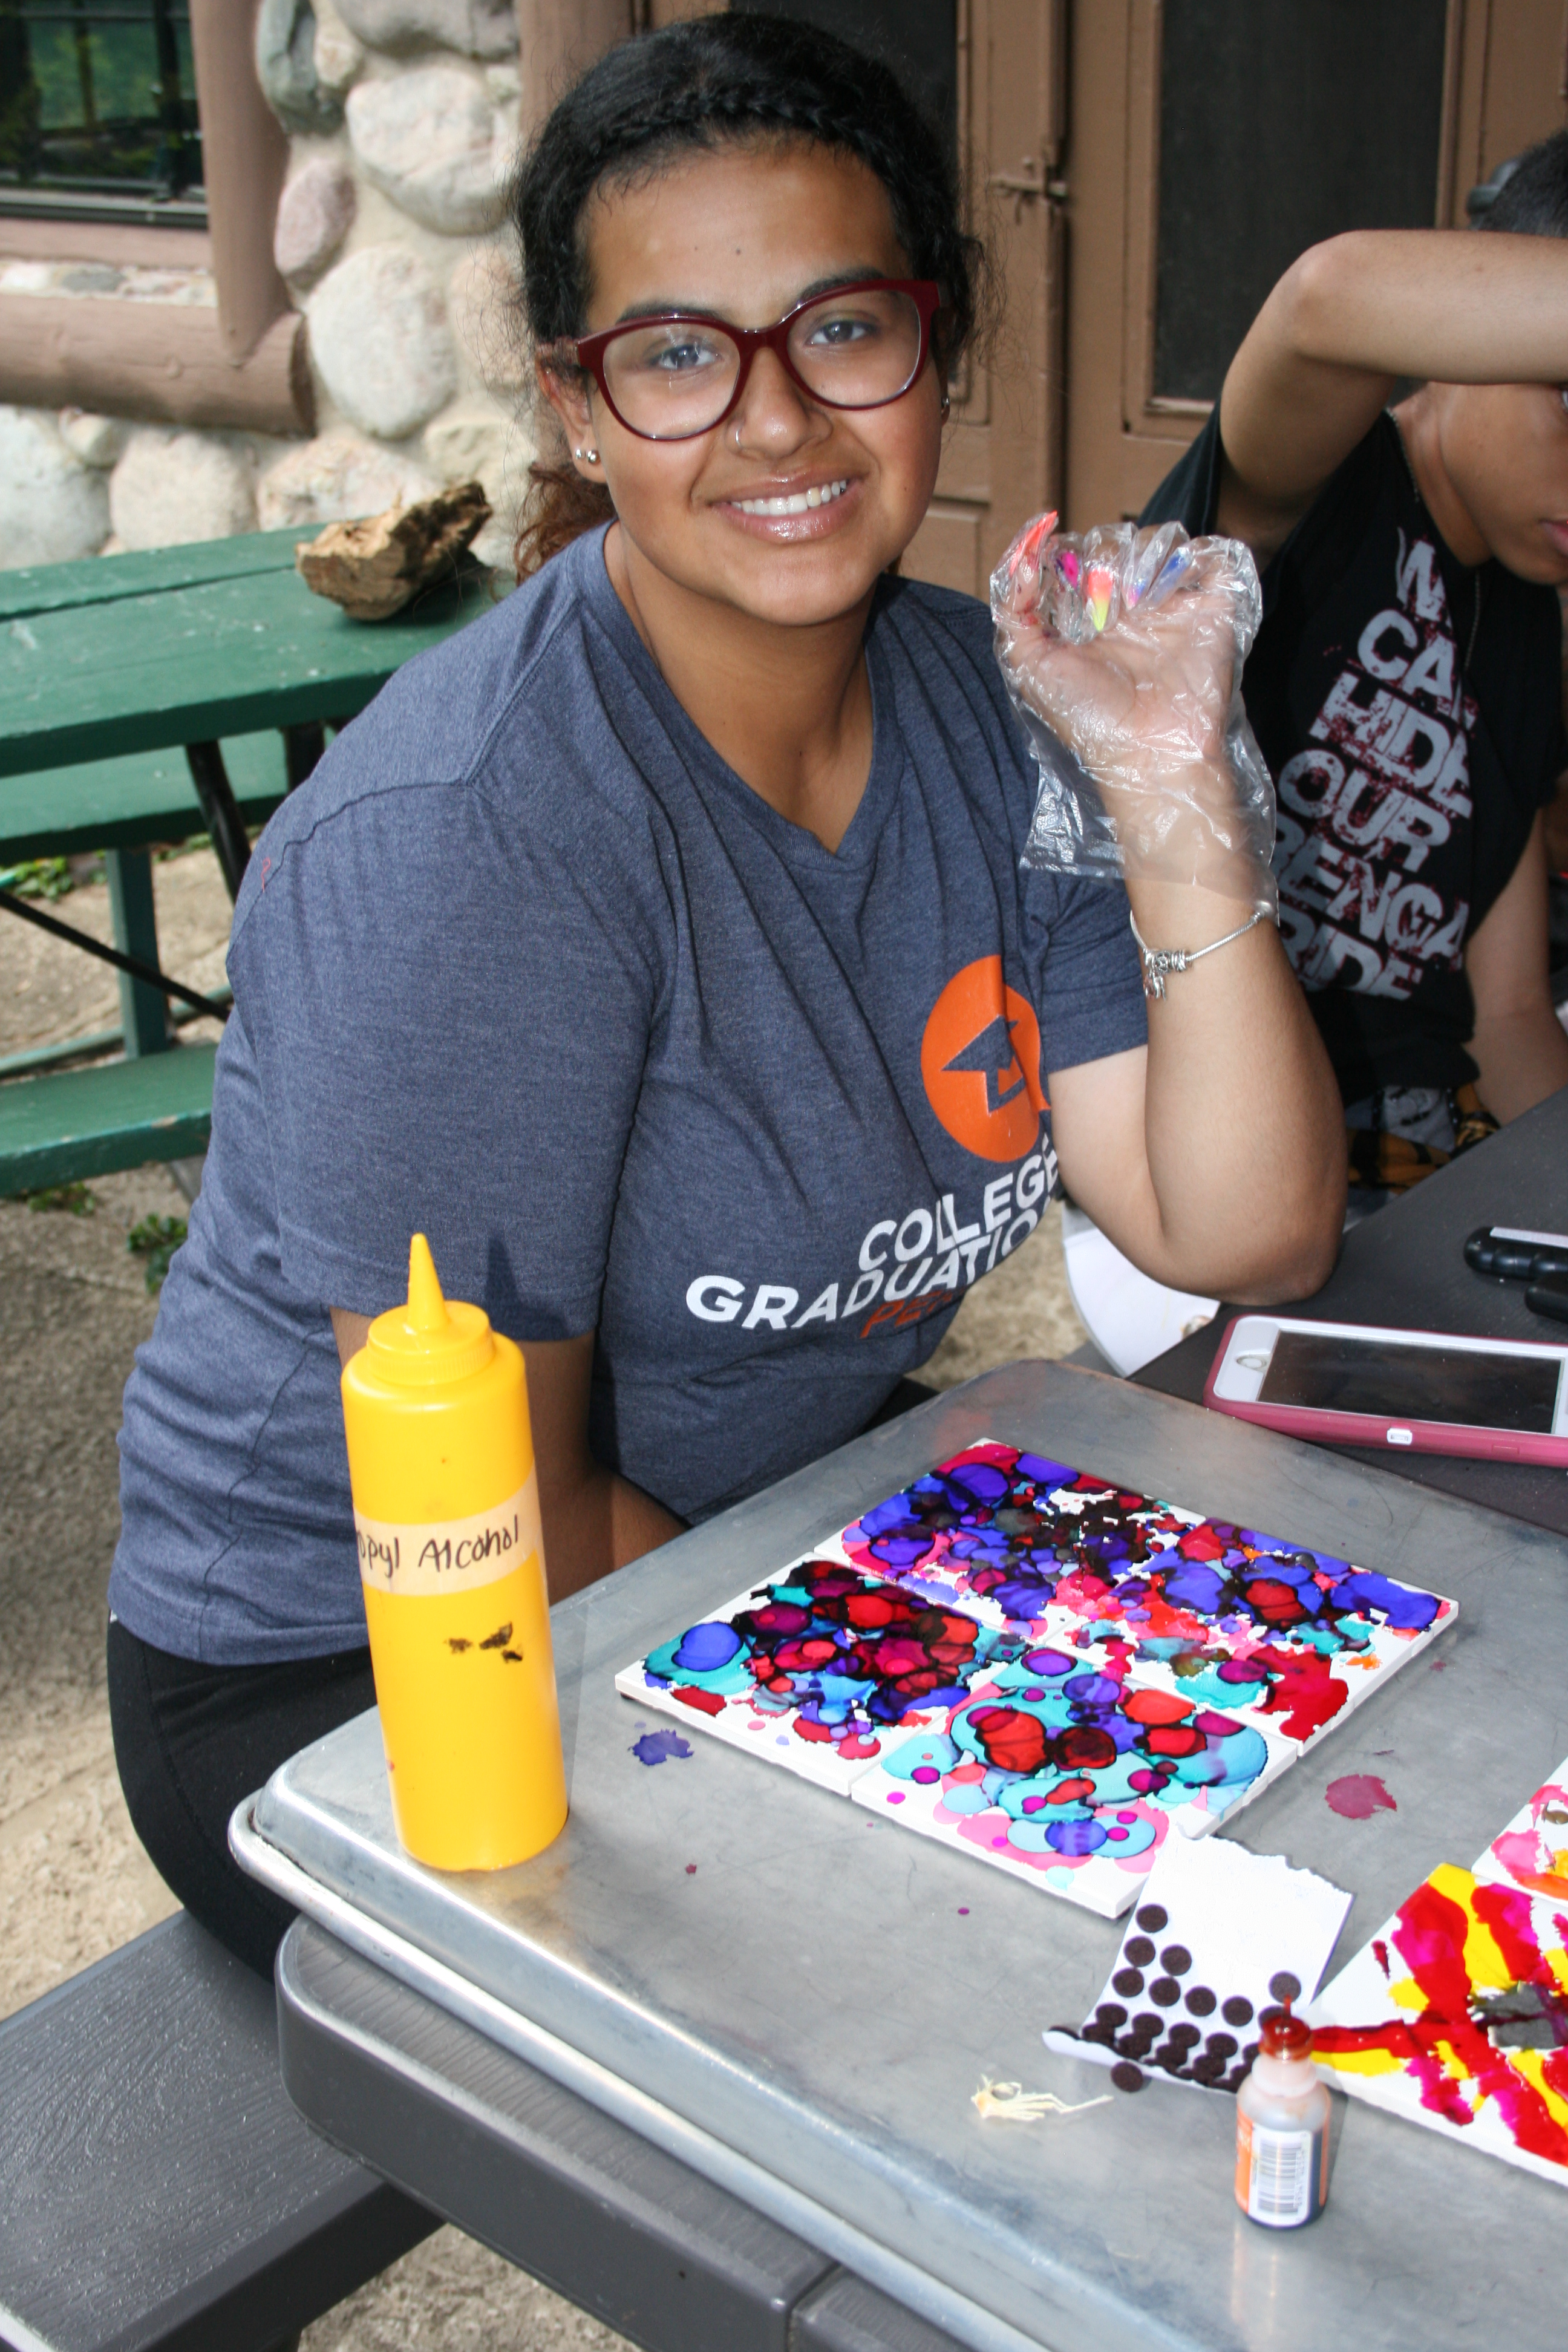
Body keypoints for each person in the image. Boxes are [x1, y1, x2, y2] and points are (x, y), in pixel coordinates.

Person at [105, 13, 1344, 1976]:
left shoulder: (997, 703)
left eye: (841, 328)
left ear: (939, 341)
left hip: (768, 1518)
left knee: (1293, 1797)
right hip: (366, 1662)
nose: (774, 421)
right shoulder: (479, 837)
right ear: (578, 407)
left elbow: (1241, 1219)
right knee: (1025, 1965)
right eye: (679, 355)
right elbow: (509, 1510)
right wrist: (951, 1696)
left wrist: (1173, 789)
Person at [1143, 136, 1568, 1198]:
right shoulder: (1317, 491)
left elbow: (1509, 1009)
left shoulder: (1526, 639)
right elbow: (1327, 302)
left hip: (1418, 1150)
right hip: (1208, 1136)